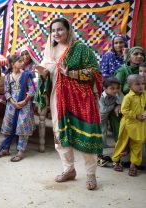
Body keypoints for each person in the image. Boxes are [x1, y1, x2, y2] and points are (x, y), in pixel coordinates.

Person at [35, 18, 102, 190]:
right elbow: (47, 76)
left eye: (60, 29)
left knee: (85, 135)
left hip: (81, 99)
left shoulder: (80, 49)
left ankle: (91, 174)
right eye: (53, 30)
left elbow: (95, 72)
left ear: (68, 30)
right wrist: (43, 74)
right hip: (58, 99)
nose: (56, 33)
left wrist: (71, 73)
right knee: (60, 134)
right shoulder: (49, 51)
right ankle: (69, 169)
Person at [0, 55, 35, 162]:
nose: (22, 63)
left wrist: (24, 101)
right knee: (8, 125)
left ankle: (20, 151)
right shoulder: (8, 76)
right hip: (12, 105)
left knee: (22, 126)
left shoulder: (26, 75)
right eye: (20, 61)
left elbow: (31, 90)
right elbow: (7, 91)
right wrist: (13, 102)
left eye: (23, 61)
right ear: (13, 64)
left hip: (24, 105)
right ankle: (6, 148)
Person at [112, 74, 146, 176]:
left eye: (143, 83)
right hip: (127, 125)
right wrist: (136, 116)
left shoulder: (144, 94)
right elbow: (124, 110)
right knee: (122, 143)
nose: (141, 86)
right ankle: (116, 161)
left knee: (137, 144)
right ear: (130, 86)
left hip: (140, 125)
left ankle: (133, 165)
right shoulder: (128, 97)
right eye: (137, 84)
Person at [97, 77, 123, 167]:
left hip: (104, 120)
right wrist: (114, 105)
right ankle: (98, 157)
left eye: (117, 88)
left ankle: (99, 155)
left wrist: (119, 94)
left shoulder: (114, 94)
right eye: (112, 88)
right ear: (104, 88)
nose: (115, 90)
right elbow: (103, 110)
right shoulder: (101, 97)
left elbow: (121, 100)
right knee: (100, 136)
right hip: (98, 120)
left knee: (103, 136)